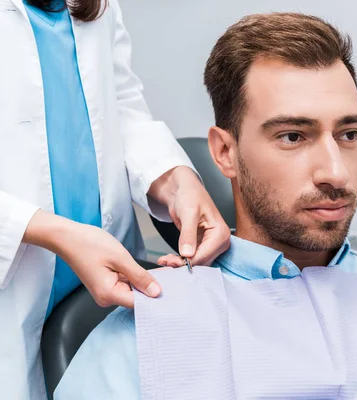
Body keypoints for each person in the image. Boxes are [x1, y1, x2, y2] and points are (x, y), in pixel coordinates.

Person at [54, 12, 357, 399]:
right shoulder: (147, 335)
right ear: (225, 153)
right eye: (293, 136)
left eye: (348, 134)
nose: (335, 172)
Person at [0, 0, 230, 398]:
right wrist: (51, 231)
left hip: (106, 273)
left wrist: (175, 180)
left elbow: (121, 107)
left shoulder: (98, 7)